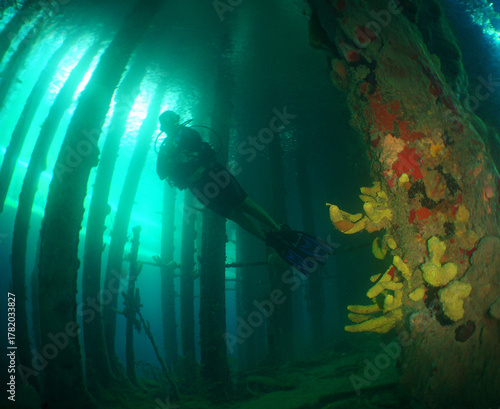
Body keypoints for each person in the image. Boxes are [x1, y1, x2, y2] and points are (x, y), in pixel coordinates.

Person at [156, 110, 332, 275]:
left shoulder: (187, 134)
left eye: (168, 122)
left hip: (213, 175)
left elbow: (195, 143)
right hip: (200, 187)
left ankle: (279, 230)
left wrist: (176, 158)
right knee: (235, 214)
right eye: (164, 124)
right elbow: (161, 172)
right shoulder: (164, 148)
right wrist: (171, 159)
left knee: (245, 204)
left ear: (174, 121)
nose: (166, 126)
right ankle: (271, 239)